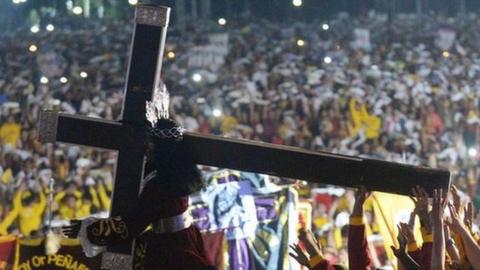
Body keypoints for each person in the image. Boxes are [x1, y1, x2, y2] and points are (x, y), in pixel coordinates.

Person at [62, 87, 214, 269]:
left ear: (160, 148)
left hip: (171, 252)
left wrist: (88, 229)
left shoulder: (160, 185)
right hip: (187, 239)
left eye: (150, 144)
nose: (146, 148)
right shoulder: (177, 173)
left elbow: (131, 225)